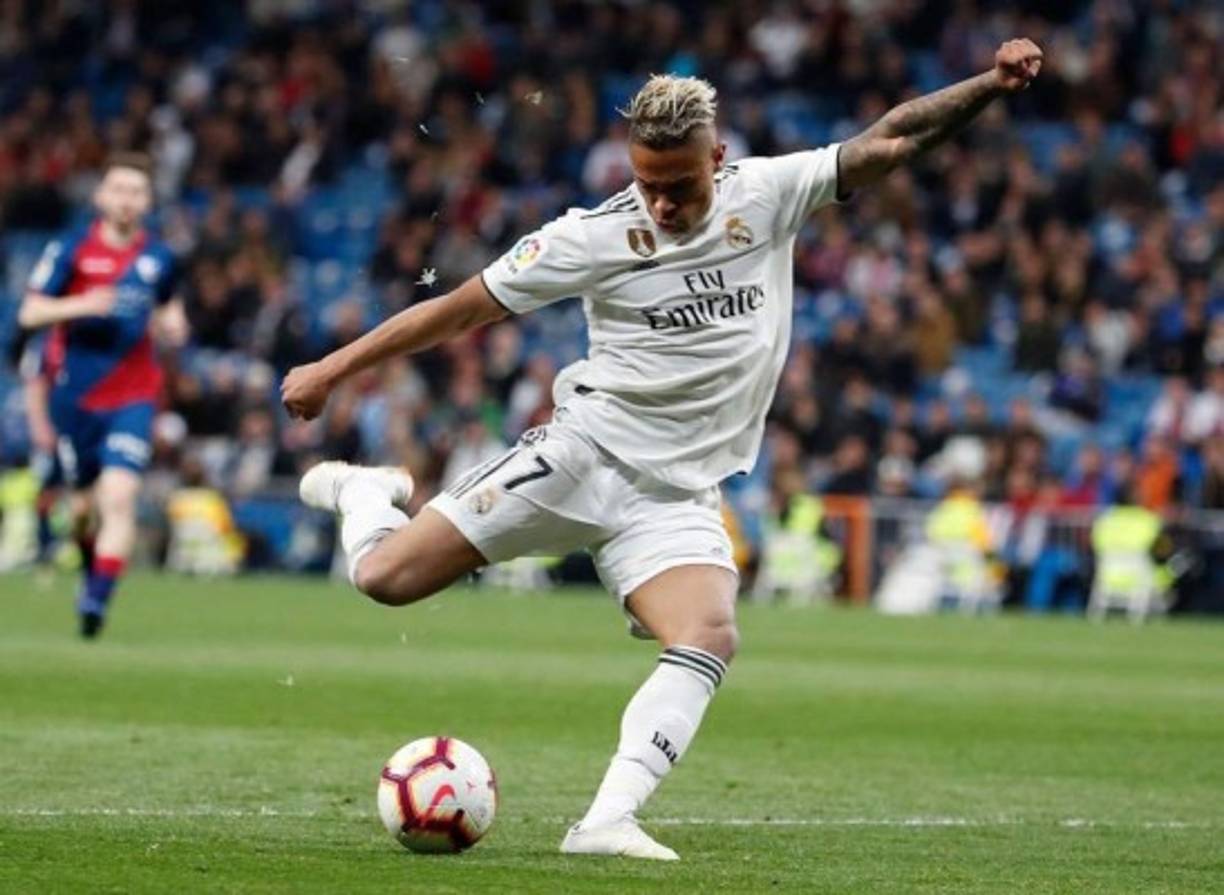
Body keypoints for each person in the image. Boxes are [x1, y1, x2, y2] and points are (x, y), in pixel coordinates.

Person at [283, 40, 1043, 860]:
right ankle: (367, 497)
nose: (664, 205)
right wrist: (332, 368)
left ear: (717, 158)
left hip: (675, 495)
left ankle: (605, 820)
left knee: (710, 633)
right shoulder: (588, 237)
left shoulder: (771, 194)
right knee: (383, 580)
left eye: (680, 186)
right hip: (580, 457)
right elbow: (461, 310)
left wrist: (990, 86)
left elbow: (891, 138)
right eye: (648, 186)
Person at [18, 152, 187, 638]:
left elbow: (171, 308)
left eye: (137, 191)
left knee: (120, 495)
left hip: (134, 395)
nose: (127, 199)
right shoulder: (71, 250)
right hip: (75, 399)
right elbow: (30, 313)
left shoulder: (160, 259)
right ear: (100, 197)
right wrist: (81, 304)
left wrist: (173, 323)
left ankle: (95, 601)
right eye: (118, 189)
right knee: (84, 510)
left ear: (148, 201)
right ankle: (91, 566)